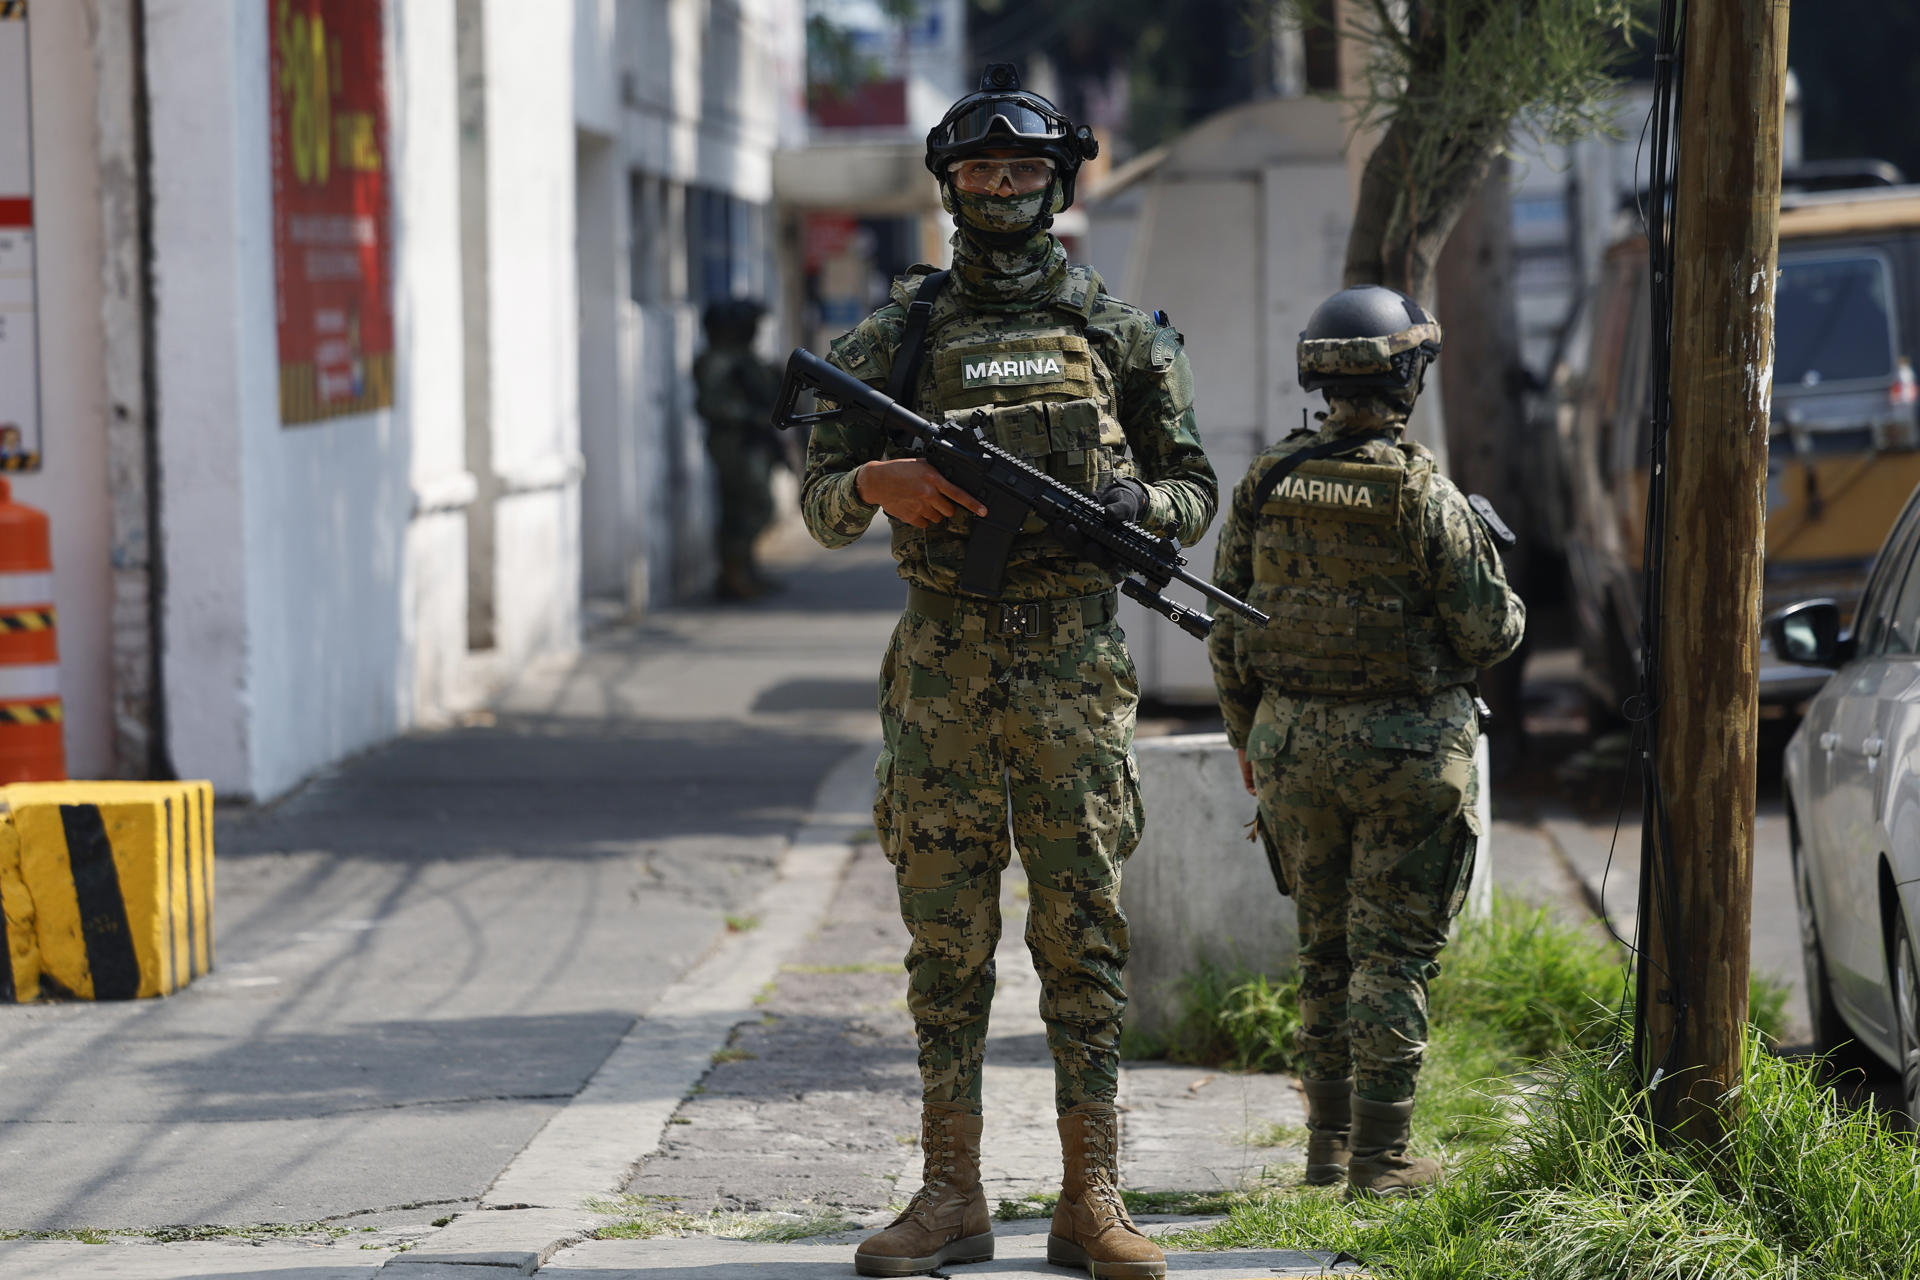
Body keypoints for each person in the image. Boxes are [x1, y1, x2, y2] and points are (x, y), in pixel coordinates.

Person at [800, 63, 1217, 1280]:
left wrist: (1137, 500)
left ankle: (1092, 1193)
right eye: (980, 170)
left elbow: (1193, 489)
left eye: (1022, 171)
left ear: (1057, 183)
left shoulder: (1118, 333)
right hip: (939, 680)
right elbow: (821, 498)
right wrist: (876, 483)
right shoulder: (897, 338)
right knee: (946, 938)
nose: (1000, 188)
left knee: (1082, 930)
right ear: (949, 183)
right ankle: (951, 1192)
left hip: (1075, 679)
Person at [1205, 285, 1525, 1200]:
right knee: (1392, 955)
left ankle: (1325, 1149)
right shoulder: (1427, 491)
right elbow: (1488, 635)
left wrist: (1246, 739)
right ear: (1408, 376)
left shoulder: (1266, 480)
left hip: (1293, 745)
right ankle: (1383, 1162)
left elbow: (1228, 628)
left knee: (1324, 949)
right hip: (1407, 753)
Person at [693, 298, 785, 600]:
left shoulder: (744, 358)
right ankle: (732, 574)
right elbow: (711, 405)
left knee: (755, 507)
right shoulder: (718, 360)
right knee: (744, 508)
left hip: (752, 442)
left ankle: (744, 569)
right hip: (734, 443)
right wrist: (752, 416)